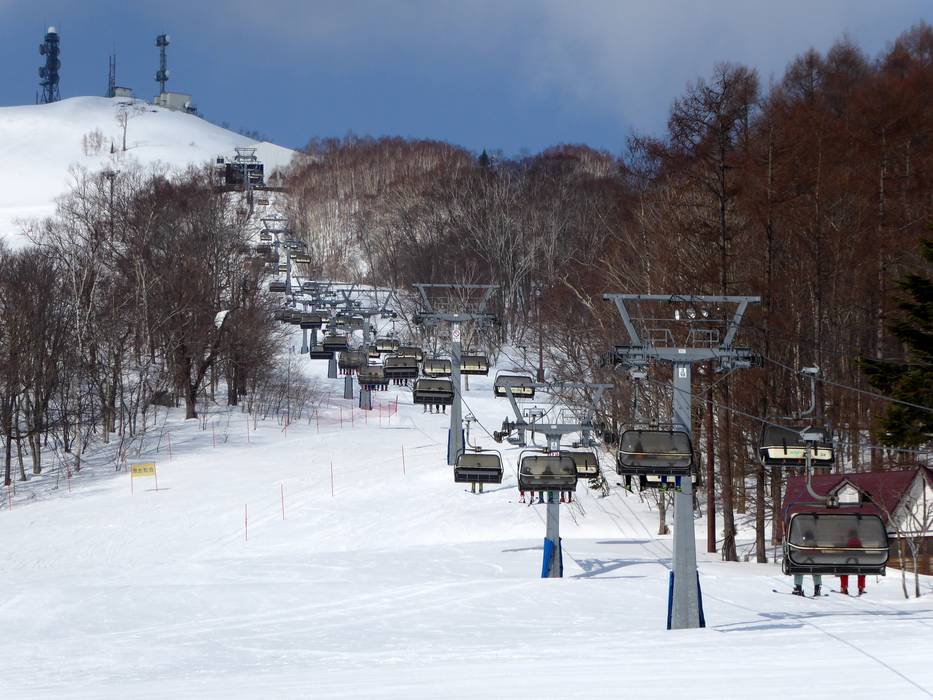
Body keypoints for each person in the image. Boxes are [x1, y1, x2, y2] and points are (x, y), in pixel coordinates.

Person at [792, 528, 822, 596]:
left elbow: (799, 557)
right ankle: (817, 588)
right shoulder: (816, 546)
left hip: (804, 566)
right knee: (817, 572)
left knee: (798, 571)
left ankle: (798, 588)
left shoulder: (803, 546)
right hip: (815, 566)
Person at [838, 529, 866, 595]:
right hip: (858, 565)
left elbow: (844, 554)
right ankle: (861, 587)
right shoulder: (859, 543)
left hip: (848, 564)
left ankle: (844, 587)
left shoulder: (847, 543)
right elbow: (863, 553)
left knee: (843, 572)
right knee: (862, 572)